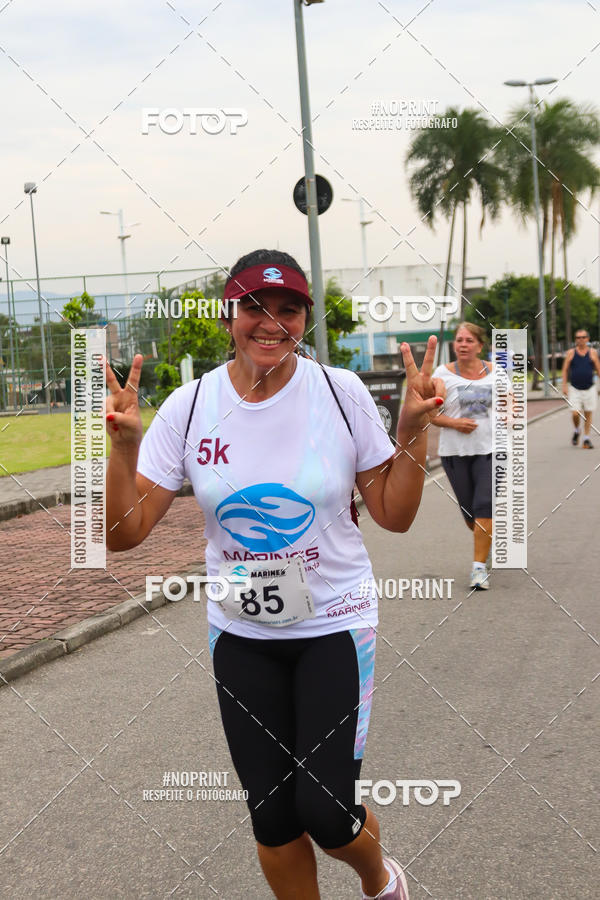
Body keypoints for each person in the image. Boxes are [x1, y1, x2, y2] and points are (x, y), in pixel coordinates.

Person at [105, 249, 445, 900]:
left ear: (305, 319)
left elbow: (394, 515)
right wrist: (123, 451)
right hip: (241, 632)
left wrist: (411, 432)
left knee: (324, 810)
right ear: (231, 315)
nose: (271, 323)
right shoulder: (191, 405)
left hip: (333, 623)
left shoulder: (339, 394)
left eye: (288, 309)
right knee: (274, 818)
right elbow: (124, 535)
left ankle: (380, 879)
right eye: (255, 308)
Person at [431, 322, 496, 591]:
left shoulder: (496, 373)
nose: (463, 345)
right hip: (455, 452)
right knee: (471, 515)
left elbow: (510, 402)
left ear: (480, 345)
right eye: (459, 340)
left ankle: (478, 570)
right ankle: (485, 541)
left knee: (484, 505)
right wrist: (455, 423)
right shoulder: (442, 375)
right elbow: (431, 415)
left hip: (490, 450)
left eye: (469, 340)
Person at [561, 328, 600, 449]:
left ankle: (586, 439)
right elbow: (565, 369)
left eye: (583, 337)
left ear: (587, 339)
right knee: (575, 413)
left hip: (590, 387)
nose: (581, 340)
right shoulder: (571, 353)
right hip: (575, 388)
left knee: (588, 413)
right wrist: (564, 385)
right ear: (575, 340)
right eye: (578, 337)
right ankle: (577, 430)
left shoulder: (592, 352)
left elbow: (598, 370)